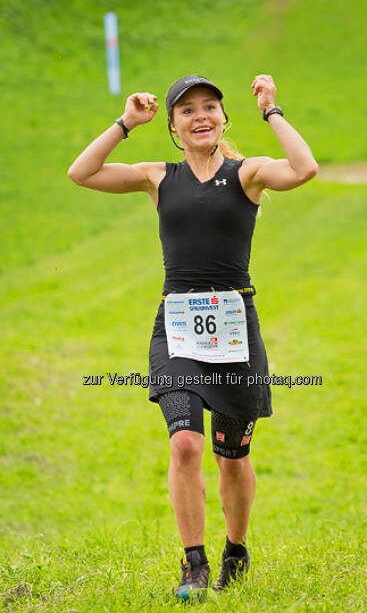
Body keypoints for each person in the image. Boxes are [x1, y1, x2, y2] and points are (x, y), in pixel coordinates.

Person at [68, 73, 318, 601]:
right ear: (175, 128)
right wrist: (124, 124)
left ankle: (236, 549)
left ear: (223, 119)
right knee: (184, 442)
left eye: (210, 107)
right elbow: (81, 173)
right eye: (187, 111)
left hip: (235, 329)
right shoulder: (159, 177)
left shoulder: (247, 173)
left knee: (232, 456)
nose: (200, 116)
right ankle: (194, 562)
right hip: (177, 327)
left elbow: (304, 168)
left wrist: (272, 110)